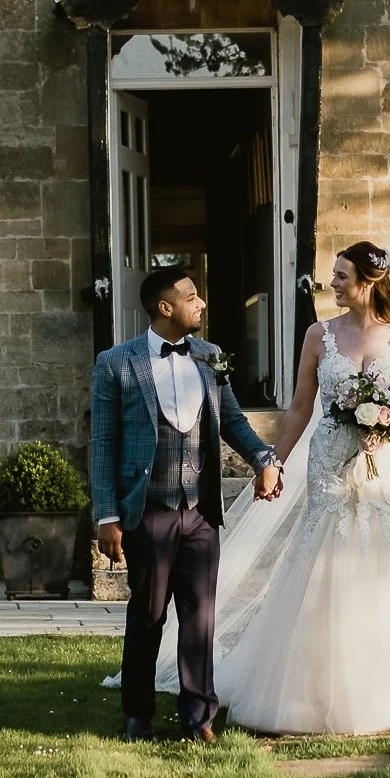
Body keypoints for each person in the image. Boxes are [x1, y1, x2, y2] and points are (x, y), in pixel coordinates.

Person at [212, 241, 390, 735]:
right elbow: (299, 408)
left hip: (383, 463)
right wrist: (274, 462)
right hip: (329, 461)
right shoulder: (318, 335)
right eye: (334, 275)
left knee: (385, 561)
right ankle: (311, 690)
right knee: (322, 560)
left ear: (368, 282)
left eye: (342, 276)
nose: (333, 284)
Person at [90, 265, 281, 743]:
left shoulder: (210, 356)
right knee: (149, 615)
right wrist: (107, 516)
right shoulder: (116, 363)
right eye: (192, 296)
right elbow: (103, 442)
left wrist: (264, 459)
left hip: (200, 511)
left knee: (200, 618)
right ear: (164, 307)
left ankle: (199, 720)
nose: (202, 303)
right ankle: (138, 715)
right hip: (147, 510)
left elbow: (232, 420)